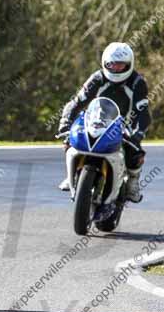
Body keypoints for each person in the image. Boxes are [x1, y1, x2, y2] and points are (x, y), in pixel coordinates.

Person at [57, 42, 151, 202]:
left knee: (135, 153)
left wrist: (138, 133)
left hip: (123, 124)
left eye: (121, 65)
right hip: (96, 119)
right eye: (112, 64)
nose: (115, 69)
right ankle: (71, 175)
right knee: (69, 140)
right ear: (105, 63)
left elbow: (143, 112)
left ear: (129, 65)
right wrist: (65, 122)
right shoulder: (97, 78)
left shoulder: (137, 83)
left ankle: (132, 182)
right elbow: (77, 101)